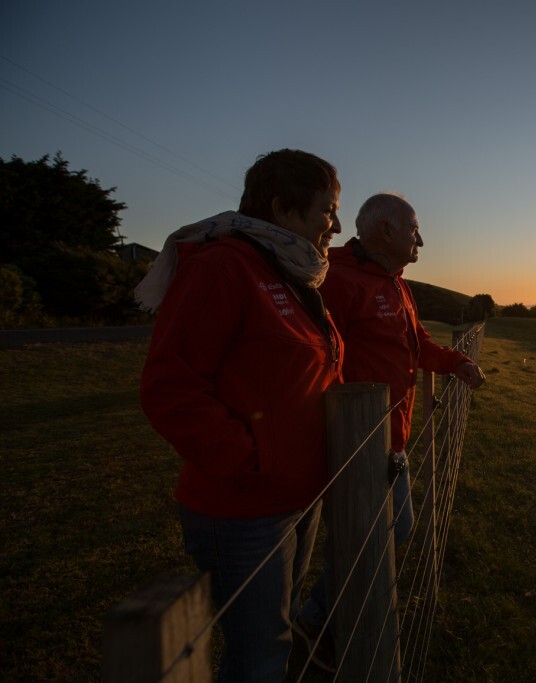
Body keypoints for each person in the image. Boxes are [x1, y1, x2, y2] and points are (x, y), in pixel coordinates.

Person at [137, 149, 343, 682]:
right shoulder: (225, 267)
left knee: (275, 640)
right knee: (259, 659)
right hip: (244, 510)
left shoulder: (292, 272)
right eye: (327, 210)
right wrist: (253, 463)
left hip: (295, 500)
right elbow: (169, 387)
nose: (336, 226)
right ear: (283, 208)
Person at [293, 192, 485, 672]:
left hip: (391, 433)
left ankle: (323, 623)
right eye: (414, 229)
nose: (420, 238)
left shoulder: (397, 283)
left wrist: (457, 362)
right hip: (356, 435)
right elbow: (316, 356)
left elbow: (417, 344)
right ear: (385, 231)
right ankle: (317, 622)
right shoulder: (337, 279)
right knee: (382, 530)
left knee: (384, 531)